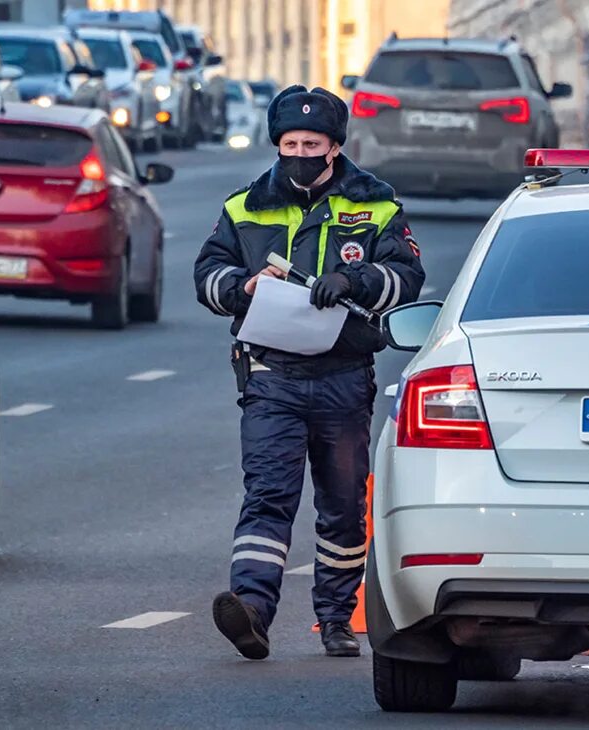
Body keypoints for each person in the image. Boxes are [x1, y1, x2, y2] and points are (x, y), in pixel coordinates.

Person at [192, 85, 424, 660]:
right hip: (271, 374)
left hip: (345, 375)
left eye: (311, 142)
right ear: (278, 144)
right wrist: (241, 287)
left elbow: (407, 275)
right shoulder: (244, 206)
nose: (299, 150)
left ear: (333, 147)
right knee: (268, 495)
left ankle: (336, 619)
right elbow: (207, 274)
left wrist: (356, 280)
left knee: (343, 505)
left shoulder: (376, 205)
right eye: (289, 142)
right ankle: (251, 609)